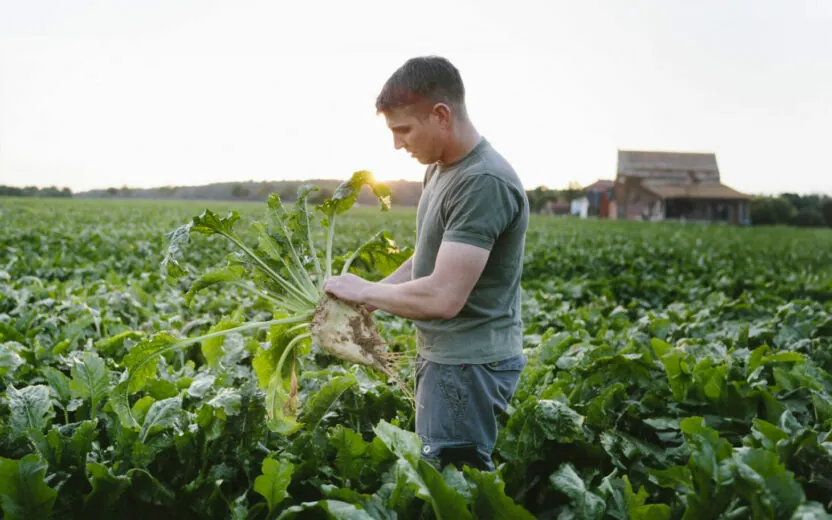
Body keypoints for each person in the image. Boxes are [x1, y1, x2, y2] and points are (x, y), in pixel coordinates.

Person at [323, 56, 529, 471]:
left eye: (404, 130)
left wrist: (362, 289)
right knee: (440, 477)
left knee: (455, 487)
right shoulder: (440, 169)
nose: (398, 144)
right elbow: (429, 257)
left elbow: (443, 296)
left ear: (440, 115)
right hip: (447, 358)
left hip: (468, 365)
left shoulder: (482, 182)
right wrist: (375, 296)